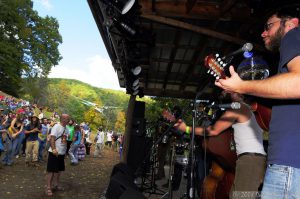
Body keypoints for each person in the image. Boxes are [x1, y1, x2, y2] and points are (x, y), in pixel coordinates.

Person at [214, 7, 300, 198]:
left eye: (269, 26)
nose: (263, 32)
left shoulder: (293, 36)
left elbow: (297, 83)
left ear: (291, 23)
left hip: (286, 165)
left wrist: (241, 87)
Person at [175, 92, 266, 199]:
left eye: (225, 89)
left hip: (250, 160)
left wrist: (186, 129)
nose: (222, 91)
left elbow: (214, 130)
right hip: (252, 159)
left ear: (236, 91)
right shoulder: (245, 108)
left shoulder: (239, 107)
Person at [46, 114, 70, 196]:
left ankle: (56, 184)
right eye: (64, 118)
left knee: (59, 171)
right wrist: (53, 149)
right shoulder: (56, 126)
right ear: (61, 119)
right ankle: (48, 187)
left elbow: (65, 140)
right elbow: (52, 138)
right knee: (51, 171)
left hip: (61, 153)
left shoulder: (66, 129)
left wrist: (65, 152)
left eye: (67, 118)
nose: (66, 120)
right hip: (54, 152)